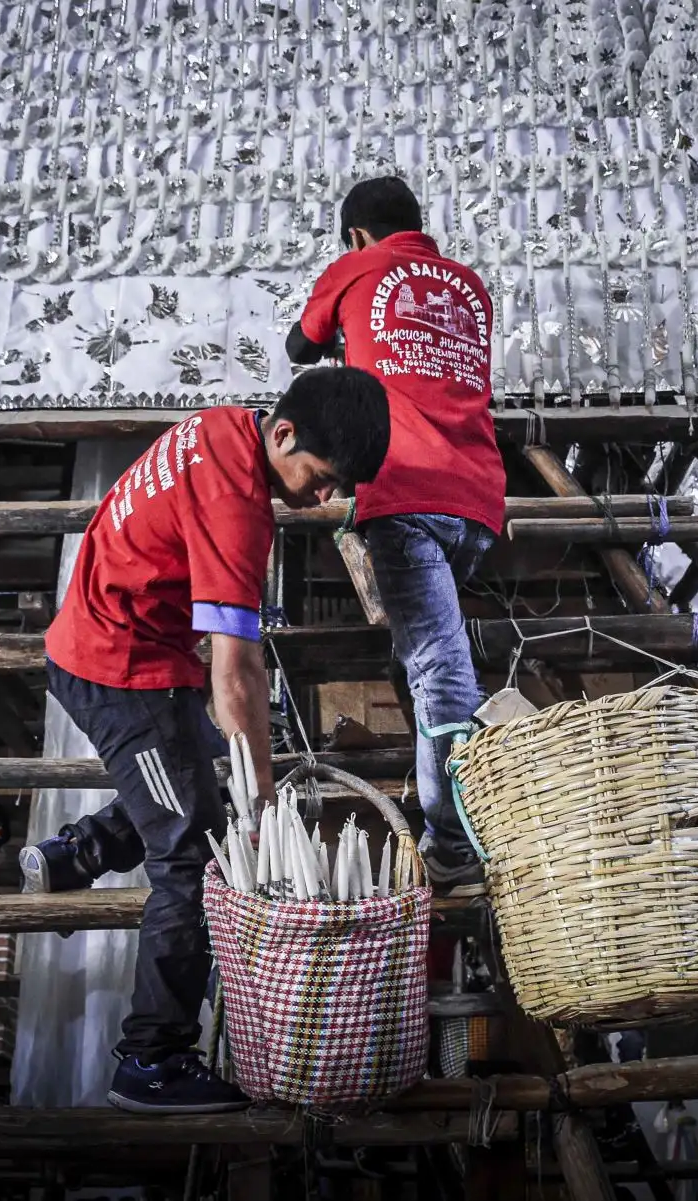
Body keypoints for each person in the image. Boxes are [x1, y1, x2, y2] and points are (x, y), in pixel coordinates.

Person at [19, 367, 391, 1114]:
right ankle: (151, 1059)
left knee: (202, 784)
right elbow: (237, 675)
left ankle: (79, 852)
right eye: (322, 479)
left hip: (130, 649)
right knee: (194, 847)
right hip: (119, 666)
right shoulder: (240, 505)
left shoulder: (225, 424)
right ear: (283, 434)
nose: (326, 499)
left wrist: (246, 781)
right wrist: (261, 816)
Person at [286, 175, 504, 896]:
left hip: (404, 491)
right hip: (477, 501)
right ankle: (458, 799)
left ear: (355, 235)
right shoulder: (470, 287)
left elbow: (300, 346)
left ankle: (452, 837)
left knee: (439, 666)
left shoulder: (359, 267)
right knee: (437, 659)